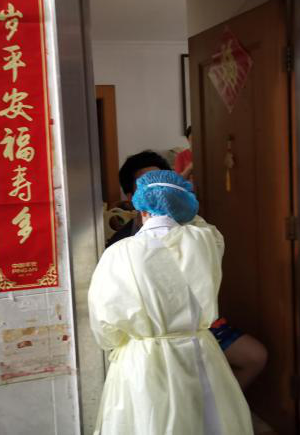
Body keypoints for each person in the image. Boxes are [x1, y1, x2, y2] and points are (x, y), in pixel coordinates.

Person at [89, 170, 253, 435]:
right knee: (207, 420)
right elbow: (197, 223)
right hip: (199, 349)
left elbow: (104, 322)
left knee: (150, 423)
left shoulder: (119, 253)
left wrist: (124, 341)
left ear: (141, 209)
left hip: (144, 358)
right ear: (183, 207)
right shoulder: (206, 241)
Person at [108, 150, 268, 390]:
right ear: (132, 197)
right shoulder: (120, 245)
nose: (158, 191)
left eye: (162, 183)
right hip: (151, 338)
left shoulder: (197, 233)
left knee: (254, 356)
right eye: (148, 186)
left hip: (198, 327)